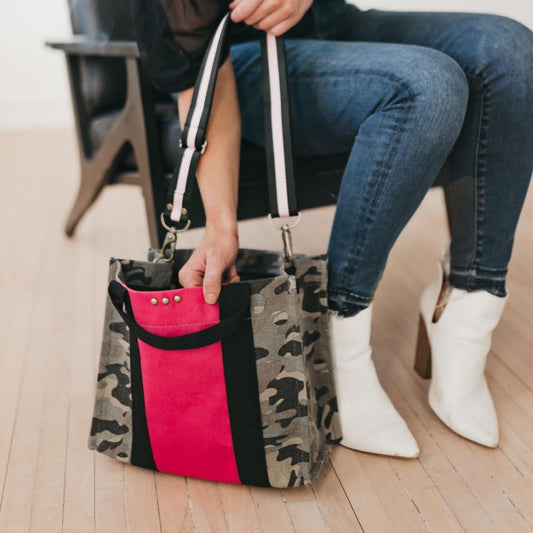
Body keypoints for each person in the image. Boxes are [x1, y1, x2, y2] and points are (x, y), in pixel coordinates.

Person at [131, 0, 533, 456]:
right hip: (241, 57)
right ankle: (337, 346)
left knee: (511, 50)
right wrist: (221, 227)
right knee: (427, 85)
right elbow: (198, 63)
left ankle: (465, 311)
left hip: (331, 23)